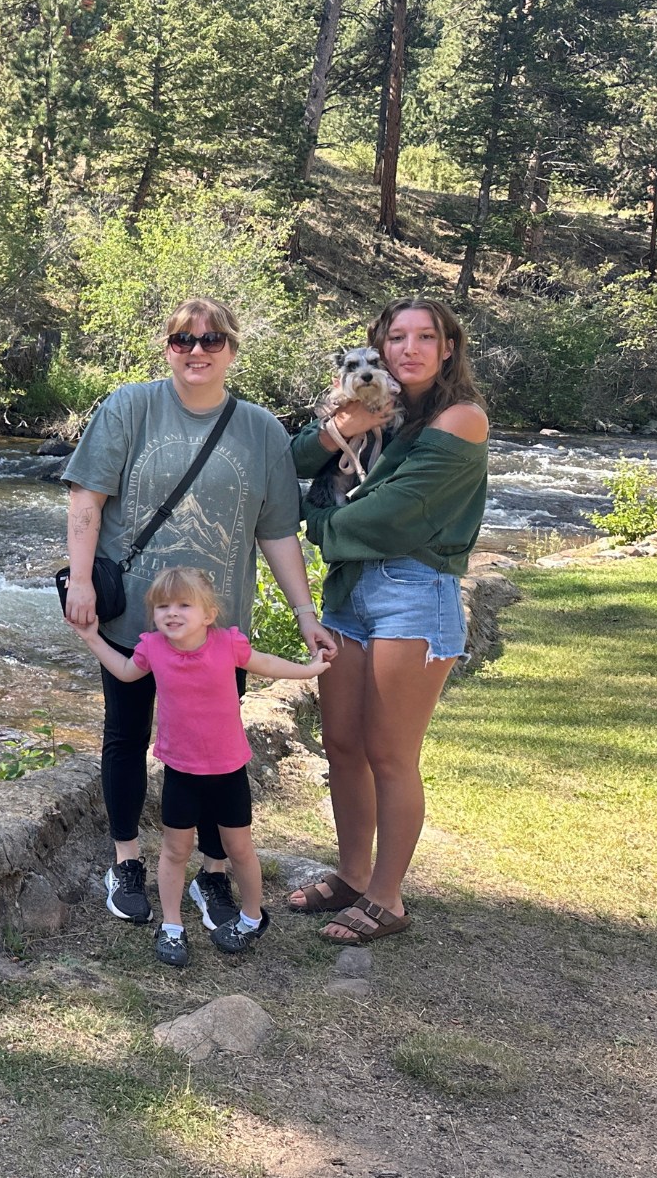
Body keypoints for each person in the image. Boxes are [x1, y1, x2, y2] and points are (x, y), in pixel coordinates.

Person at [63, 298, 334, 930]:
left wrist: (304, 612)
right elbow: (85, 499)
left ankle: (214, 871)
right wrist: (79, 580)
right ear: (167, 347)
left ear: (232, 350)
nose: (197, 351)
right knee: (127, 737)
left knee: (215, 749)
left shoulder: (262, 430)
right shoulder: (130, 407)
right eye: (184, 339)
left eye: (211, 340)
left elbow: (278, 534)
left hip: (218, 631)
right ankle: (127, 858)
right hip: (134, 618)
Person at [284, 298, 489, 944]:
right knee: (342, 744)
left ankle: (387, 896)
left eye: (426, 337)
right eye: (396, 337)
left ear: (448, 347)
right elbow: (293, 461)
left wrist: (311, 524)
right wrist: (338, 423)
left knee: (390, 755)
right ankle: (351, 874)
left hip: (413, 589)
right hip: (350, 592)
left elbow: (381, 517)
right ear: (378, 347)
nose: (410, 348)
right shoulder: (377, 410)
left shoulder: (461, 420)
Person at [70, 567, 328, 965]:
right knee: (175, 851)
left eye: (184, 605)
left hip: (228, 772)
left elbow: (269, 665)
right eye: (163, 606)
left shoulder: (228, 644)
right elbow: (123, 672)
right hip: (181, 772)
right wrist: (90, 636)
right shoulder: (152, 648)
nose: (172, 613)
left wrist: (310, 669)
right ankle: (172, 926)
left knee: (240, 849)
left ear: (208, 614)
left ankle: (251, 918)